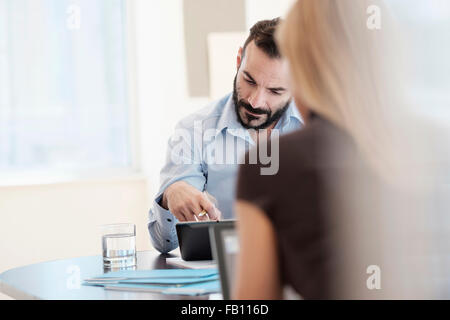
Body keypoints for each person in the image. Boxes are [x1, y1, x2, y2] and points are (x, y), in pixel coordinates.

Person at [234, 0, 435, 299]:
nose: (259, 101)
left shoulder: (272, 167)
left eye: (278, 89)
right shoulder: (437, 144)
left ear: (300, 68)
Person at [148, 18, 303, 254]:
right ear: (239, 60)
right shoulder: (194, 131)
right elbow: (165, 243)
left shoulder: (324, 131)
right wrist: (170, 196)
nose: (255, 101)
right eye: (249, 80)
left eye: (274, 91)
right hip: (229, 279)